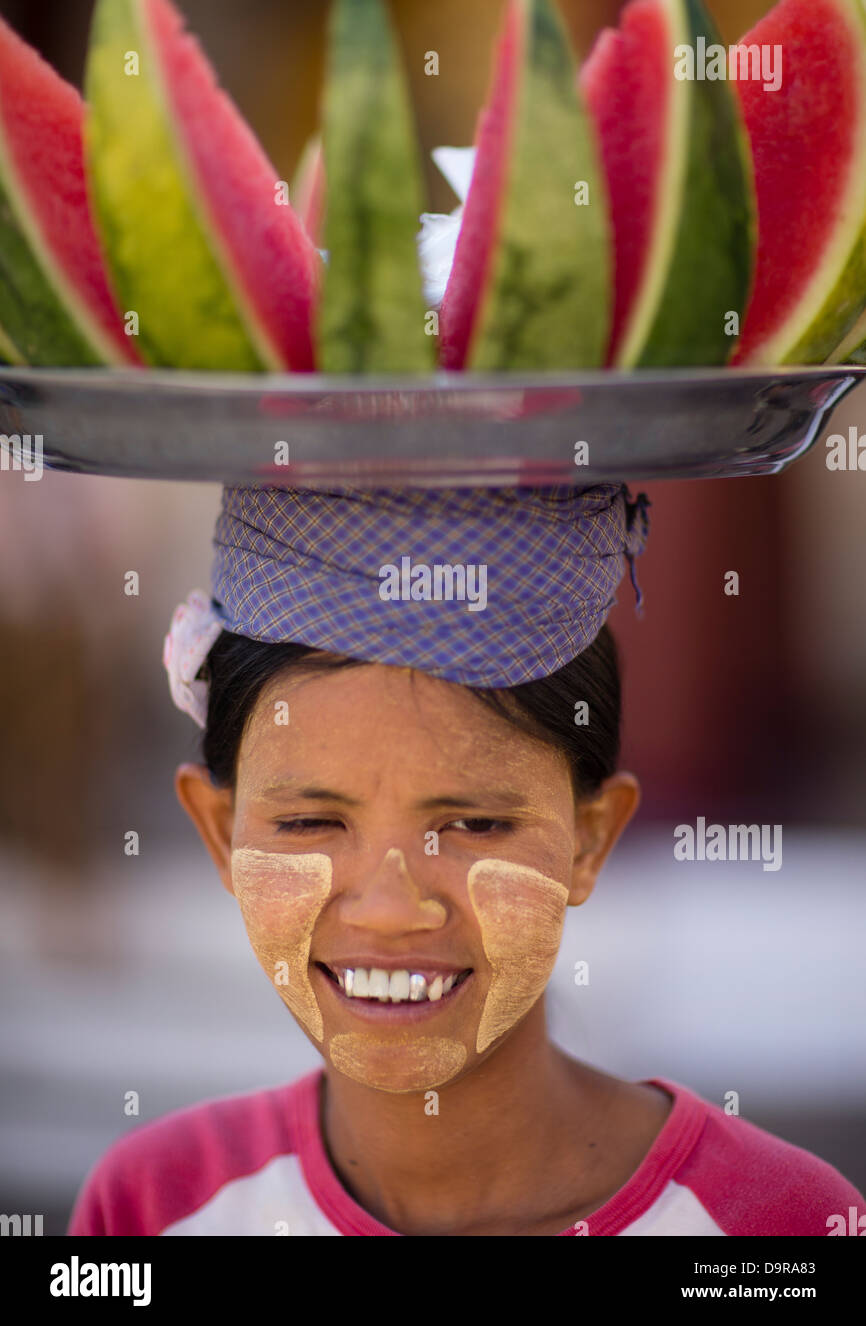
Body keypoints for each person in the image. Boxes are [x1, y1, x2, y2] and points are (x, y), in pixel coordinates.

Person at [67, 482, 865, 1236]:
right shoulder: (151, 1207)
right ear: (220, 835)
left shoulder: (777, 1225)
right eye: (312, 820)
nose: (388, 907)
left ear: (590, 839)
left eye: (476, 824)